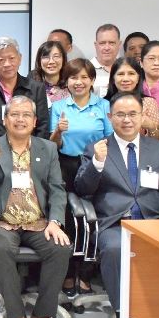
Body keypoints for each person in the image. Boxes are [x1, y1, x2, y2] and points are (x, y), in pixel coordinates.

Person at [74, 92, 159, 318]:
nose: (127, 120)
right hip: (115, 223)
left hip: (153, 223)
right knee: (115, 250)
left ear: (142, 116)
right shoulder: (97, 147)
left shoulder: (158, 149)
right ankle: (123, 316)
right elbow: (82, 189)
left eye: (132, 114)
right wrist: (97, 163)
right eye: (120, 114)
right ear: (110, 117)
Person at [0, 95, 71, 318]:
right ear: (5, 120)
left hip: (38, 221)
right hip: (3, 221)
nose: (20, 119)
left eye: (26, 115)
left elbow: (57, 189)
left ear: (35, 121)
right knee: (1, 248)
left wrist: (55, 221)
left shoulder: (47, 148)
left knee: (60, 248)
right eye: (14, 114)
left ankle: (42, 316)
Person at [49, 58, 113, 296]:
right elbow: (53, 144)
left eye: (84, 77)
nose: (79, 82)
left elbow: (111, 138)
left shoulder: (103, 106)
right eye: (73, 77)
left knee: (95, 216)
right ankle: (67, 273)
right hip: (66, 165)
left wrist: (99, 158)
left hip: (96, 163)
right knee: (67, 218)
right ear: (66, 81)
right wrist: (58, 131)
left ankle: (86, 274)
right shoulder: (59, 106)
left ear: (92, 80)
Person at [0, 36, 49, 141]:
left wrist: (34, 149)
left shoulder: (36, 88)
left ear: (20, 58)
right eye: (1, 60)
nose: (7, 64)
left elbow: (43, 127)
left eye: (11, 58)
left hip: (29, 148)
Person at [105, 57, 159, 138]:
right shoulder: (103, 104)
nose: (126, 79)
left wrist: (151, 126)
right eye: (121, 74)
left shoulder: (148, 102)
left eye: (131, 73)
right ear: (113, 79)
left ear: (138, 78)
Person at [29, 41, 70, 107]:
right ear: (39, 61)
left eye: (56, 56)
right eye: (46, 57)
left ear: (63, 59)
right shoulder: (31, 86)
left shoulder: (71, 85)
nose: (51, 61)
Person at [91, 24, 121, 98]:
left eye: (111, 43)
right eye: (102, 43)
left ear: (119, 45)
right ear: (95, 45)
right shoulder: (85, 69)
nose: (107, 48)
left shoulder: (126, 69)